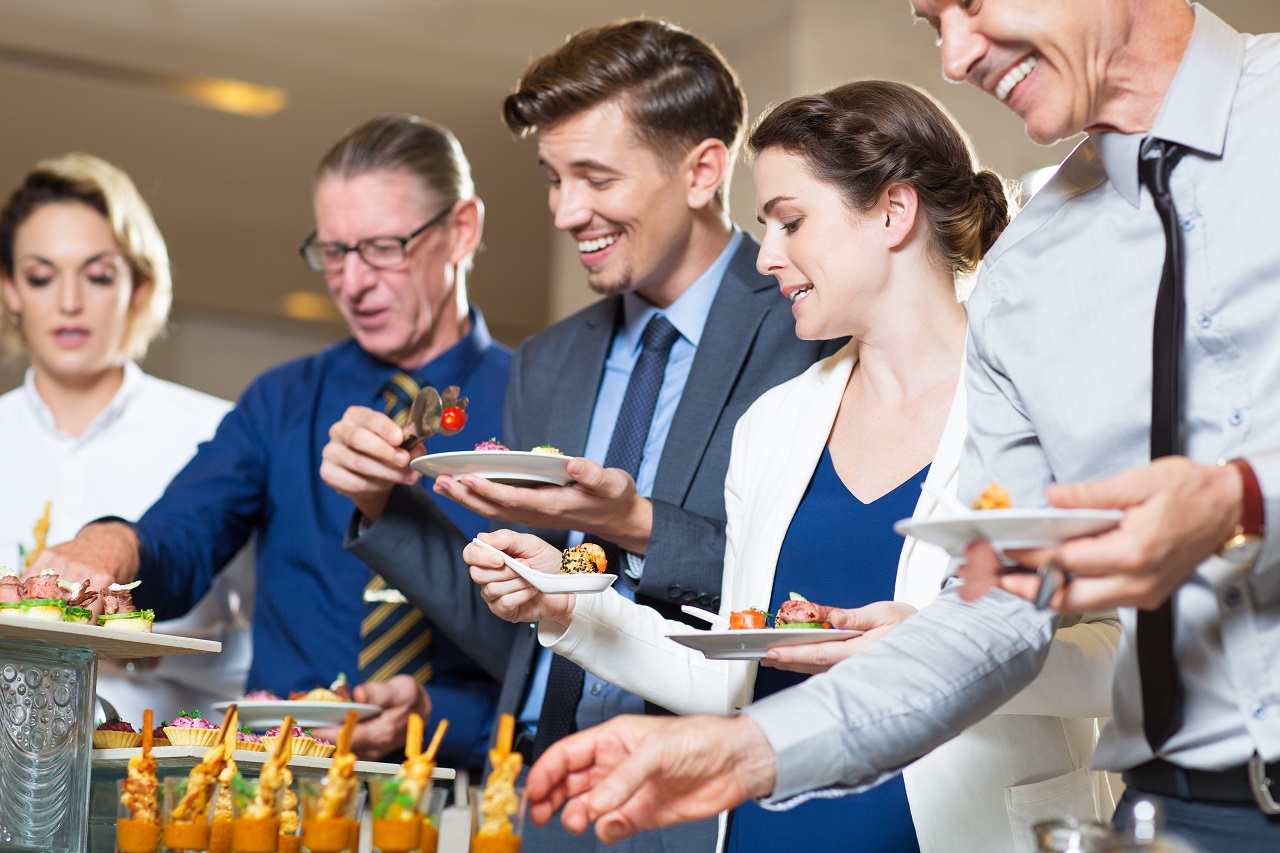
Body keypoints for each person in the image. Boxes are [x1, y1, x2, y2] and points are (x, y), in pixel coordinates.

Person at [524, 2, 1280, 851]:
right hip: (1173, 812)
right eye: (932, 23)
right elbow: (997, 618)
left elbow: (1094, 631)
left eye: (971, 5)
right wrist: (742, 746)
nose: (954, 58)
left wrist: (1243, 498)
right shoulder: (1032, 272)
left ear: (893, 212)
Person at [466, 80, 1121, 852]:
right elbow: (731, 671)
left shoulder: (1047, 402)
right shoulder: (774, 423)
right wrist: (568, 606)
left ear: (892, 212)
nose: (767, 256)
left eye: (790, 222)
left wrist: (938, 651)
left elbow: (1128, 658)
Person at [322, 18, 838, 853]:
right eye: (553, 178)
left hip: (697, 801)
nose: (565, 211)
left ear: (703, 170)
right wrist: (386, 504)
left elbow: (816, 596)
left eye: (594, 176)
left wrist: (631, 524)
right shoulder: (549, 363)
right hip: (536, 796)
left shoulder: (807, 325)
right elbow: (522, 626)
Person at [30, 117, 514, 770]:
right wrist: (109, 544)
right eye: (333, 252)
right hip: (285, 789)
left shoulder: (541, 396)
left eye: (381, 246)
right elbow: (185, 532)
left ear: (463, 230)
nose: (352, 281)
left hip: (481, 788)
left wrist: (440, 714)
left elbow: (571, 641)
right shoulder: (281, 401)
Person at [0, 152, 253, 724]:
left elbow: (263, 645)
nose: (69, 302)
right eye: (41, 276)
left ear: (139, 285)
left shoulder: (219, 433)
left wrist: (133, 650)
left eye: (97, 274)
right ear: (10, 288)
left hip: (169, 775)